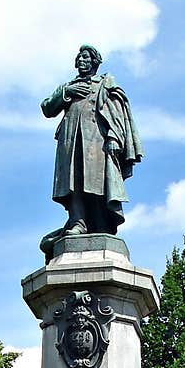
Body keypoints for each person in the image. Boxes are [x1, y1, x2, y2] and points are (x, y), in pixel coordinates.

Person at [41, 45, 143, 241]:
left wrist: (114, 137)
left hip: (97, 142)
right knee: (73, 182)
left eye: (85, 57)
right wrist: (66, 92)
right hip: (70, 141)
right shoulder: (69, 87)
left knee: (97, 181)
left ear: (94, 61)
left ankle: (99, 222)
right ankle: (78, 221)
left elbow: (116, 114)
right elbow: (47, 108)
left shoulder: (105, 84)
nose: (81, 60)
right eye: (79, 57)